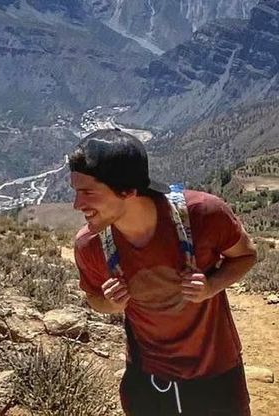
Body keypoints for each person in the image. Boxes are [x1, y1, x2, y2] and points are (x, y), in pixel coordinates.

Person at [70, 128, 257, 416]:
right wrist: (110, 304)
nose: (77, 205)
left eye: (88, 193)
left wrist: (211, 286)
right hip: (149, 382)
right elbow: (95, 297)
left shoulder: (203, 214)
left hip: (217, 376)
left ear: (128, 191)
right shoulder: (90, 245)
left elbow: (246, 255)